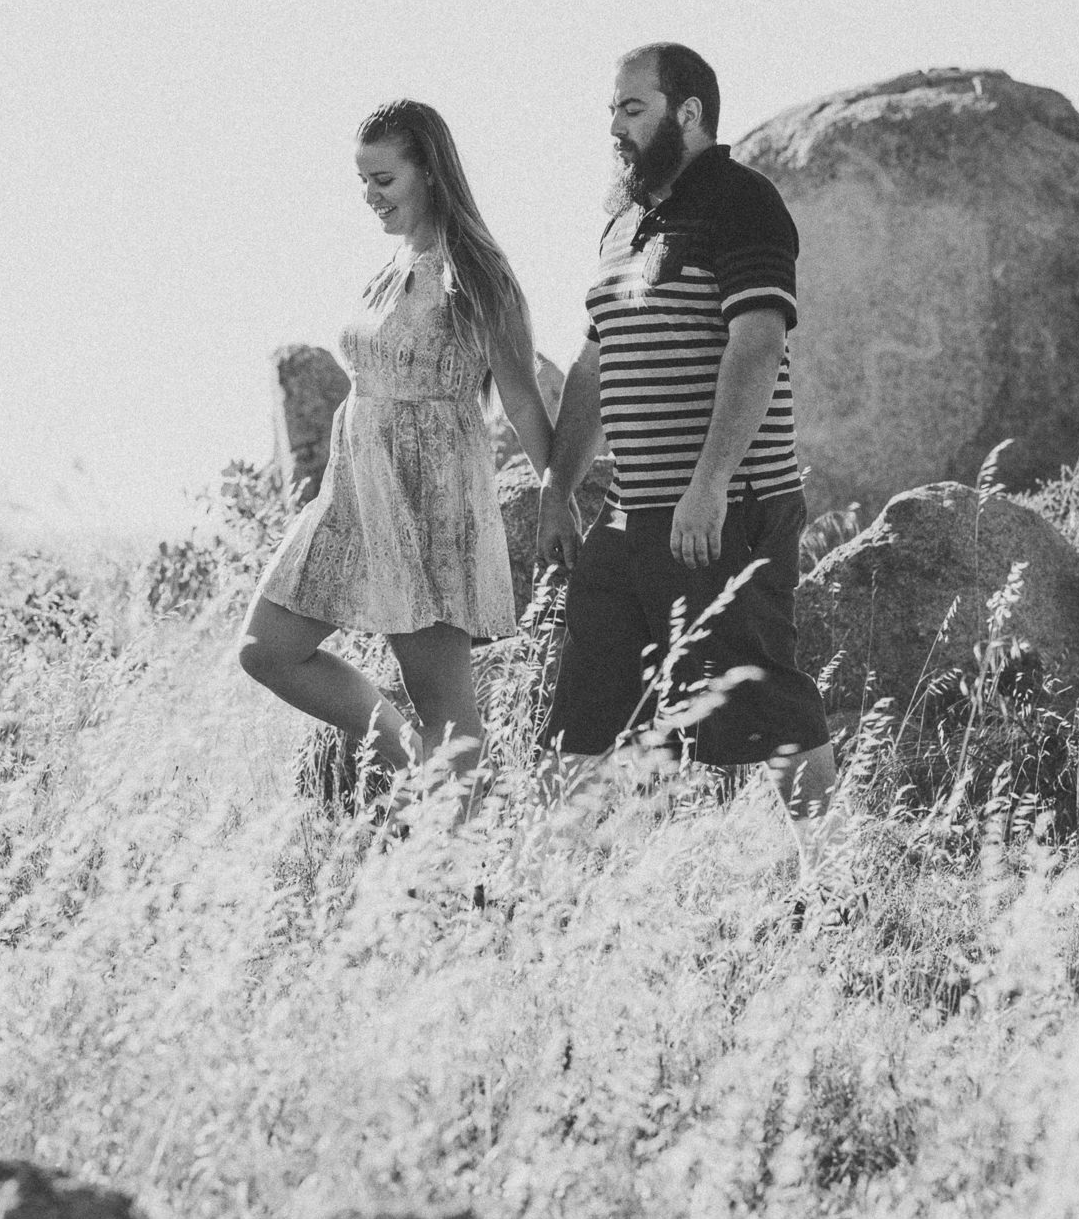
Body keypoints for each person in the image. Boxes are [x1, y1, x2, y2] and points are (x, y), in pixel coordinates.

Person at [535, 43, 842, 864]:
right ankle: (574, 895)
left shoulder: (744, 203)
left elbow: (757, 344)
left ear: (691, 113)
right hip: (631, 512)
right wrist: (557, 487)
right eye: (611, 113)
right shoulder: (622, 221)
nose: (616, 129)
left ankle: (835, 879)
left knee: (765, 695)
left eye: (632, 110)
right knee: (592, 705)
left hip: (727, 509)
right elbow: (597, 364)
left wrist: (707, 488)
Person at [240, 100, 554, 777]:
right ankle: (413, 765)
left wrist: (557, 489)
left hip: (429, 498)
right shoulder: (392, 265)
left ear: (429, 172)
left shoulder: (473, 270)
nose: (369, 196)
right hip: (354, 496)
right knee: (266, 647)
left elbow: (522, 395)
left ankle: (458, 864)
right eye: (362, 180)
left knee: (445, 702)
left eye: (382, 179)